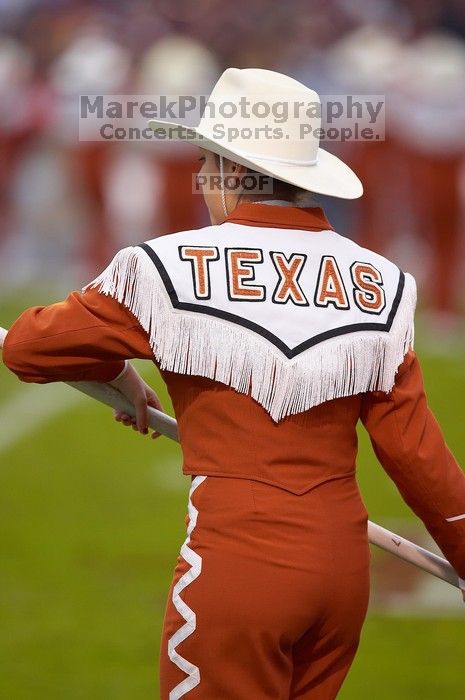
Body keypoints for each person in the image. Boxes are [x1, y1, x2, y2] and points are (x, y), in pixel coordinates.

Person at [2, 68, 465, 699]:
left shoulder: (164, 265)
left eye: (206, 161)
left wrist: (112, 368)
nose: (198, 177)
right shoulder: (383, 283)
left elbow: (29, 347)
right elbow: (419, 459)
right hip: (342, 573)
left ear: (234, 170)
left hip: (237, 564)